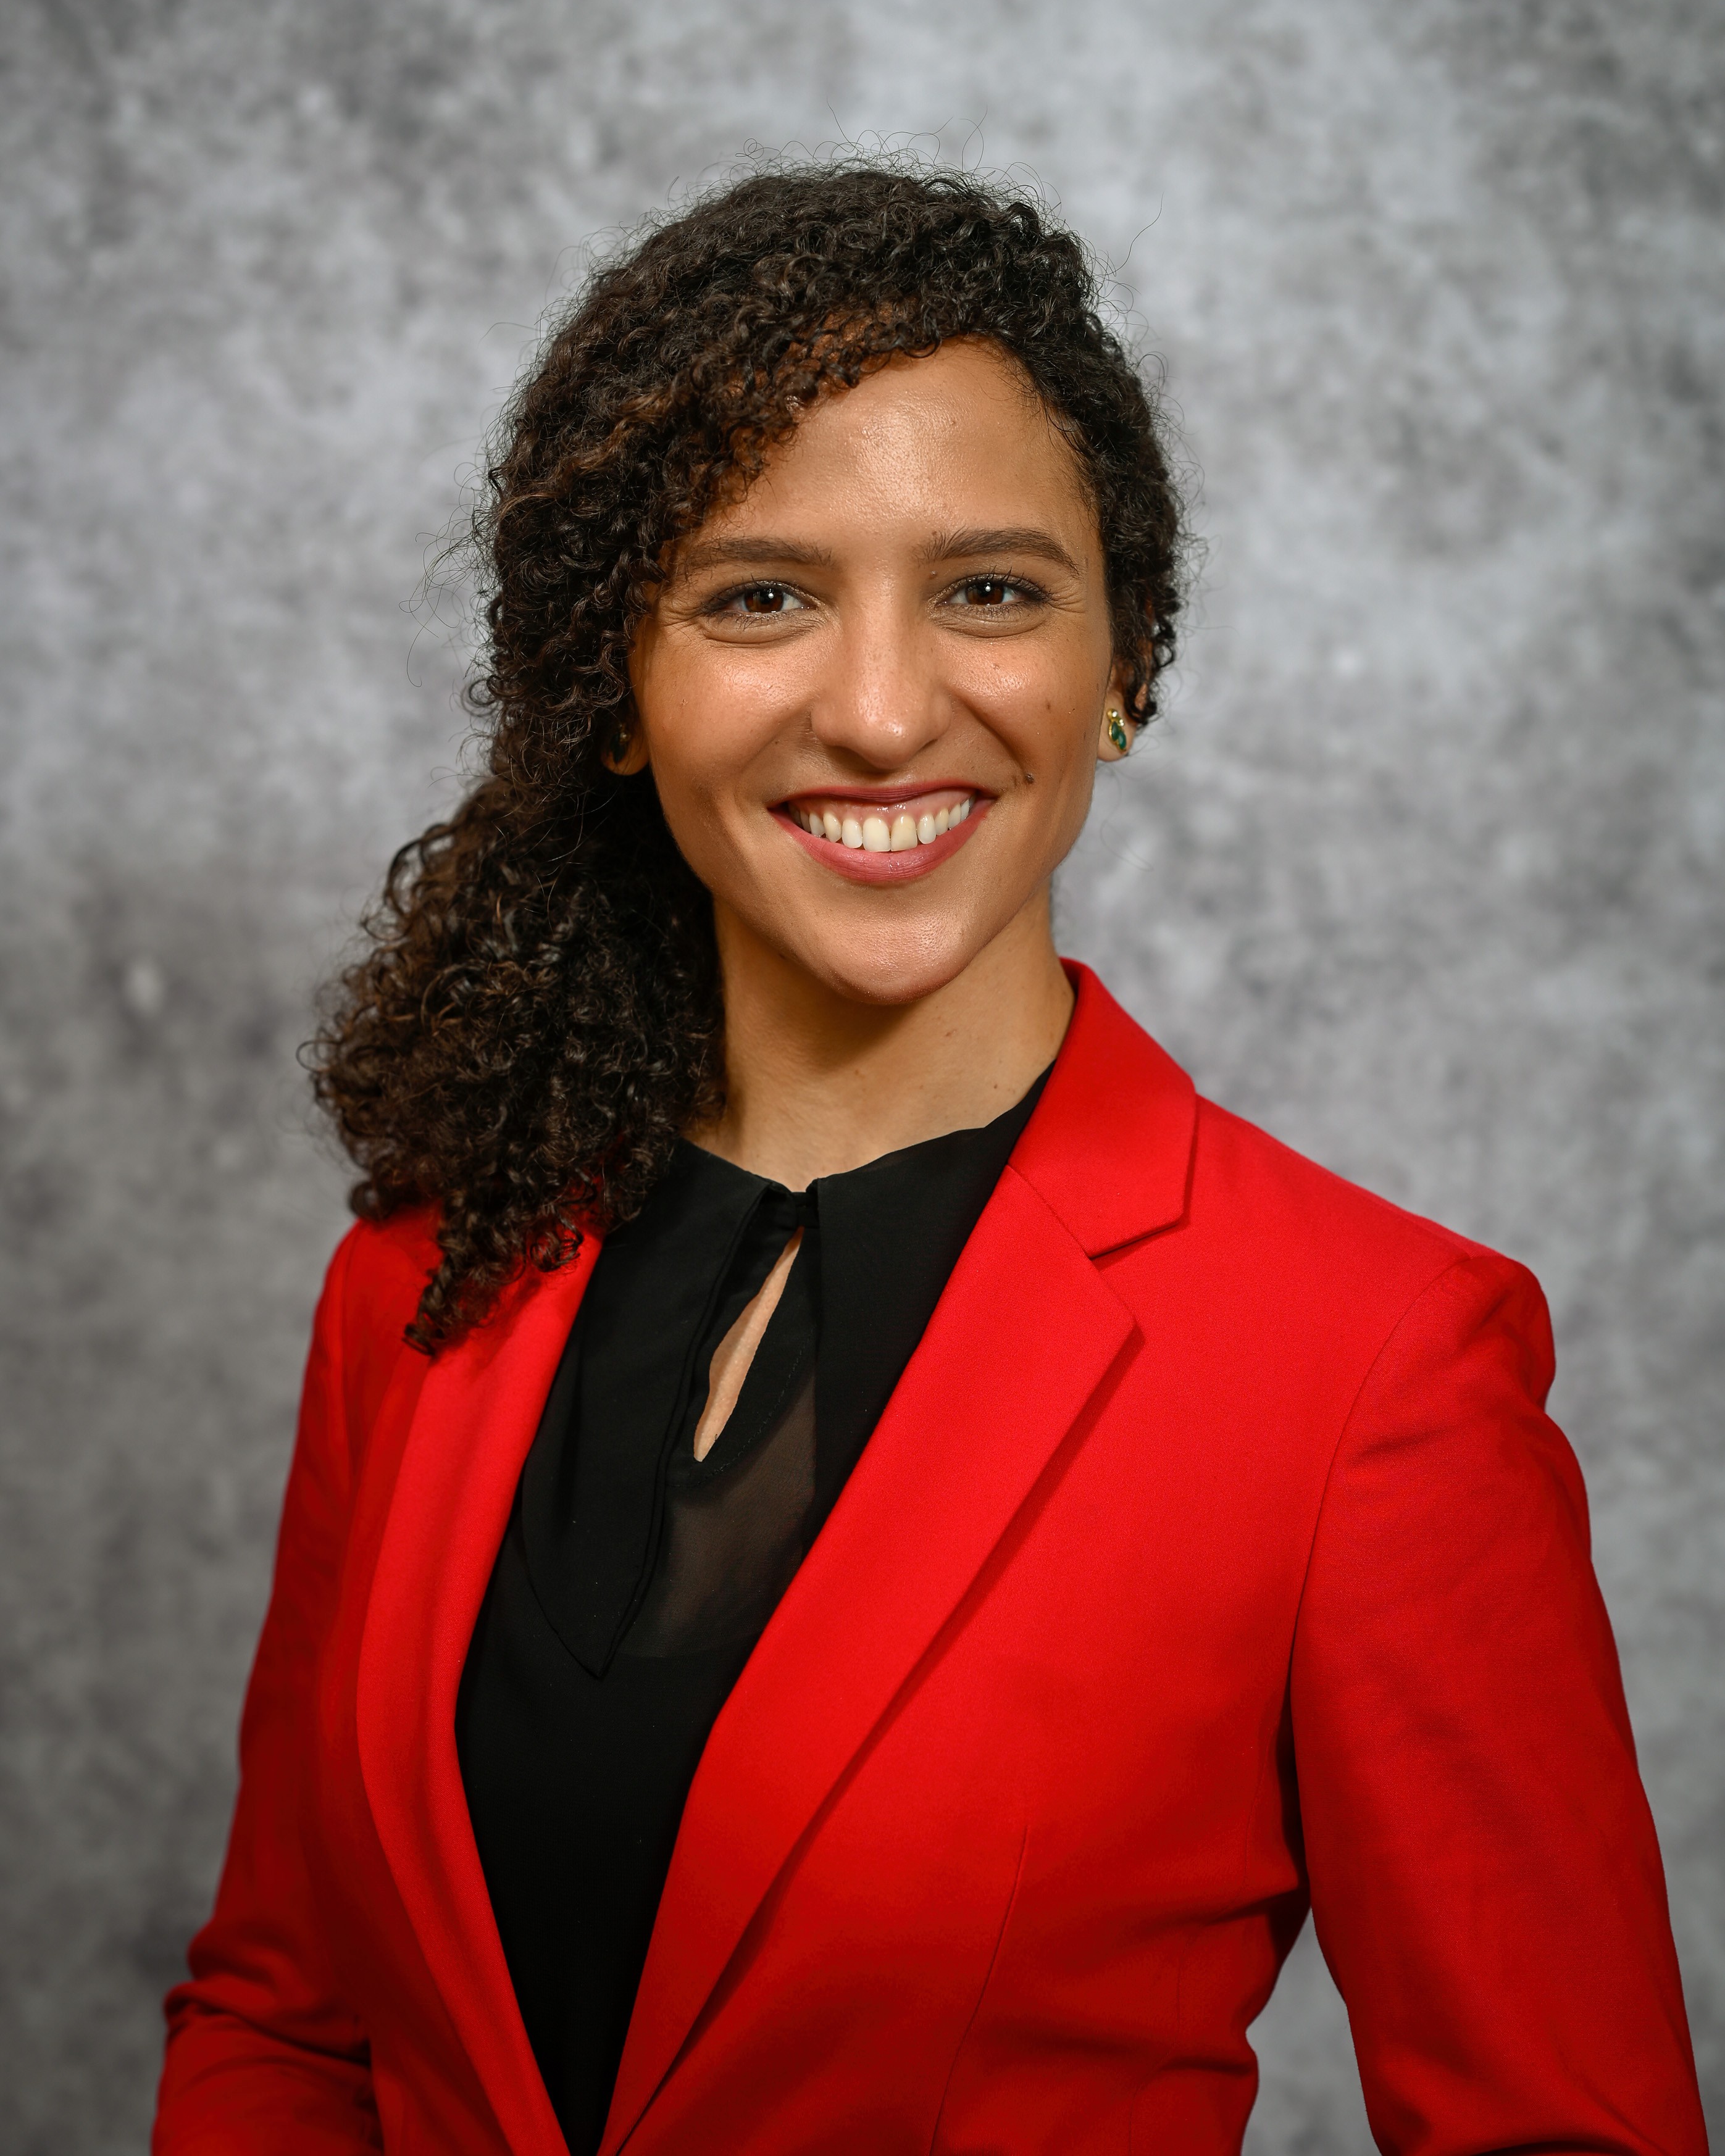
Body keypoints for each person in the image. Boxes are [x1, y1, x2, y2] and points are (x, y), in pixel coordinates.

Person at [152, 165, 1706, 2156]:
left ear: (1121, 664)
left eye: (988, 590)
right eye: (760, 595)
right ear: (616, 690)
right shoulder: (421, 1279)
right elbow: (285, 2023)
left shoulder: (1373, 1368)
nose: (883, 714)